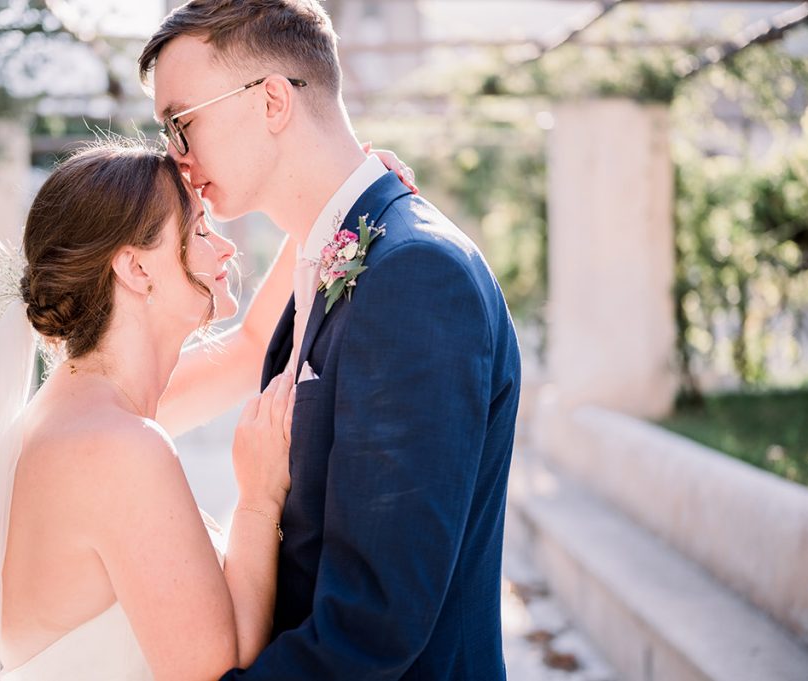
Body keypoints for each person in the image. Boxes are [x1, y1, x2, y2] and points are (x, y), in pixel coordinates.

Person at [0, 137, 418, 681]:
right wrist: (257, 499)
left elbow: (252, 346)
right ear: (136, 269)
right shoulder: (116, 446)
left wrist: (337, 205)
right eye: (200, 231)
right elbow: (220, 668)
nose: (225, 249)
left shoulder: (80, 408)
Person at [140, 1, 522, 679]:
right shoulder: (338, 255)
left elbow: (374, 620)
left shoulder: (415, 274)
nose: (177, 156)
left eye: (183, 121)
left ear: (273, 102)